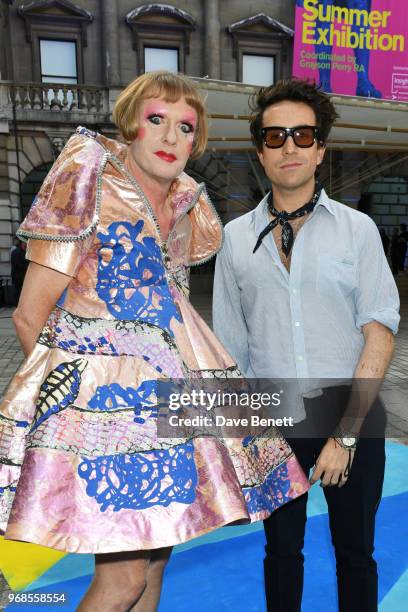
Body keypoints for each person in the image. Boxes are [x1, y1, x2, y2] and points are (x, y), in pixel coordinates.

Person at [0, 72, 309, 612]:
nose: (170, 137)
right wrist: (83, 422)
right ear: (132, 126)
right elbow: (29, 316)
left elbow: (173, 318)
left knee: (155, 568)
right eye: (156, 120)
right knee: (121, 583)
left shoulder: (189, 204)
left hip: (171, 413)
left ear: (197, 141)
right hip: (106, 419)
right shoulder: (90, 176)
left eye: (185, 127)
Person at [213, 78, 399, 612]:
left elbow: (380, 331)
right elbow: (231, 347)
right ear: (259, 152)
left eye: (302, 135)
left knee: (356, 554)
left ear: (320, 149)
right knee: (280, 553)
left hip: (350, 410)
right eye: (275, 136)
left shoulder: (359, 230)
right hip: (272, 413)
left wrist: (346, 435)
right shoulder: (233, 239)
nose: (288, 146)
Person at [10, 238, 29, 304]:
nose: (26, 244)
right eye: (25, 243)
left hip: (24, 277)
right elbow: (16, 264)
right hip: (18, 278)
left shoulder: (27, 252)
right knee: (18, 293)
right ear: (21, 243)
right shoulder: (16, 252)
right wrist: (28, 266)